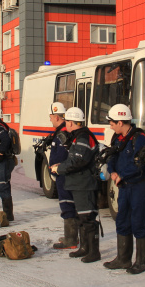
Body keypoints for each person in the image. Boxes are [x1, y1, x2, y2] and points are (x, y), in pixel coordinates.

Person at [103, 104, 145, 274]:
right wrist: (112, 171)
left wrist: (122, 175)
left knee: (139, 222)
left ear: (120, 122)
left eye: (112, 123)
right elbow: (111, 156)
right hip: (124, 187)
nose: (110, 126)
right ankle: (123, 259)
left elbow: (140, 164)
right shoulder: (117, 138)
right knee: (122, 220)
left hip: (139, 187)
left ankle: (140, 262)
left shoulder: (140, 139)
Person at [51, 107, 100, 263]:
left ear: (71, 122)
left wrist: (59, 168)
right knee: (82, 217)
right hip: (79, 183)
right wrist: (61, 166)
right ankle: (84, 248)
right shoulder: (79, 136)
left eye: (67, 121)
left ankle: (93, 252)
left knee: (88, 218)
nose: (65, 124)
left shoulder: (83, 138)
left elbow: (78, 161)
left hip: (84, 184)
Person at [46, 102, 79, 250]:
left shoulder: (62, 134)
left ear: (57, 117)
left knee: (67, 204)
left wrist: (54, 169)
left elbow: (60, 157)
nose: (50, 120)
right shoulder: (62, 132)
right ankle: (71, 236)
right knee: (69, 204)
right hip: (65, 174)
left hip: (64, 175)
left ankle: (71, 240)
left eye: (51, 117)